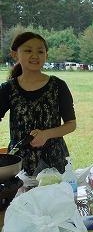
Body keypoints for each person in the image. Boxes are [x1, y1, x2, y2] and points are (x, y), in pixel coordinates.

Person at [0, 32, 76, 176]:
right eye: (28, 50)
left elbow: (71, 124)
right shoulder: (7, 89)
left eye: (40, 51)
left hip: (54, 163)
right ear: (15, 54)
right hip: (18, 164)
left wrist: (47, 134)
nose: (35, 56)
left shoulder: (58, 86)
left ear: (46, 56)